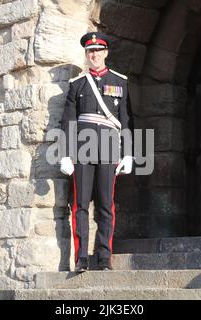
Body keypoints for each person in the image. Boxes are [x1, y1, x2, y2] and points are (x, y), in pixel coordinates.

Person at [59, 32, 133, 273]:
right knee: (80, 205)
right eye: (91, 51)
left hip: (110, 147)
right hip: (82, 149)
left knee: (105, 204)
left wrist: (129, 153)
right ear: (86, 54)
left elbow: (126, 119)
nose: (95, 55)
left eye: (99, 50)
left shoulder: (119, 81)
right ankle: (81, 259)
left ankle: (104, 258)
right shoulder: (77, 84)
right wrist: (65, 154)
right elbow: (68, 121)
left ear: (106, 53)